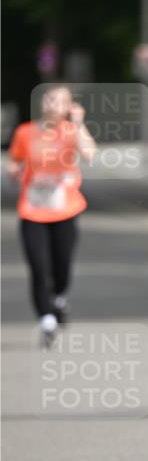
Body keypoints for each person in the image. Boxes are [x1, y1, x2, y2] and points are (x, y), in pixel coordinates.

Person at [7, 85, 96, 348]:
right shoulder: (26, 131)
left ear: (69, 106)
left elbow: (89, 153)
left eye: (59, 100)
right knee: (38, 267)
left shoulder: (71, 131)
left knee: (62, 268)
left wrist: (78, 123)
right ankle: (46, 318)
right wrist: (13, 170)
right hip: (32, 211)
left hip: (65, 210)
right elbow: (15, 160)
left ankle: (58, 298)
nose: (52, 103)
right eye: (49, 98)